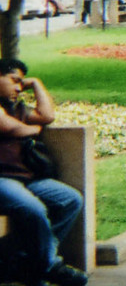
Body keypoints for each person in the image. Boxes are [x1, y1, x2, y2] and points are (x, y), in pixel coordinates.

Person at [0, 59, 88, 286]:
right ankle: (49, 265)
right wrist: (32, 129)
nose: (19, 88)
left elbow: (47, 116)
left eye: (22, 83)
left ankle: (27, 262)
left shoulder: (17, 108)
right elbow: (12, 128)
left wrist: (37, 84)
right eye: (14, 81)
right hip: (2, 180)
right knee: (34, 208)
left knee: (70, 200)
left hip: (24, 179)